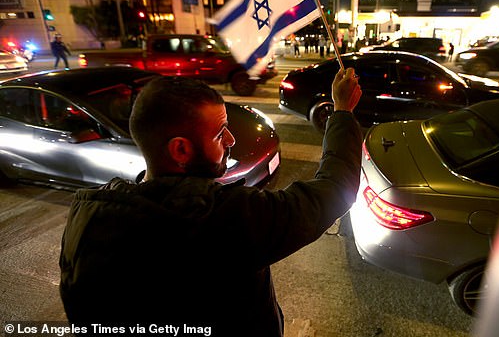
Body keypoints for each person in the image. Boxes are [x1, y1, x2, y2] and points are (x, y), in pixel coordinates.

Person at [59, 68, 363, 336]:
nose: (231, 140)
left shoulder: (88, 216)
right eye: (219, 134)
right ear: (180, 150)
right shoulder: (219, 220)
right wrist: (342, 111)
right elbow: (334, 190)